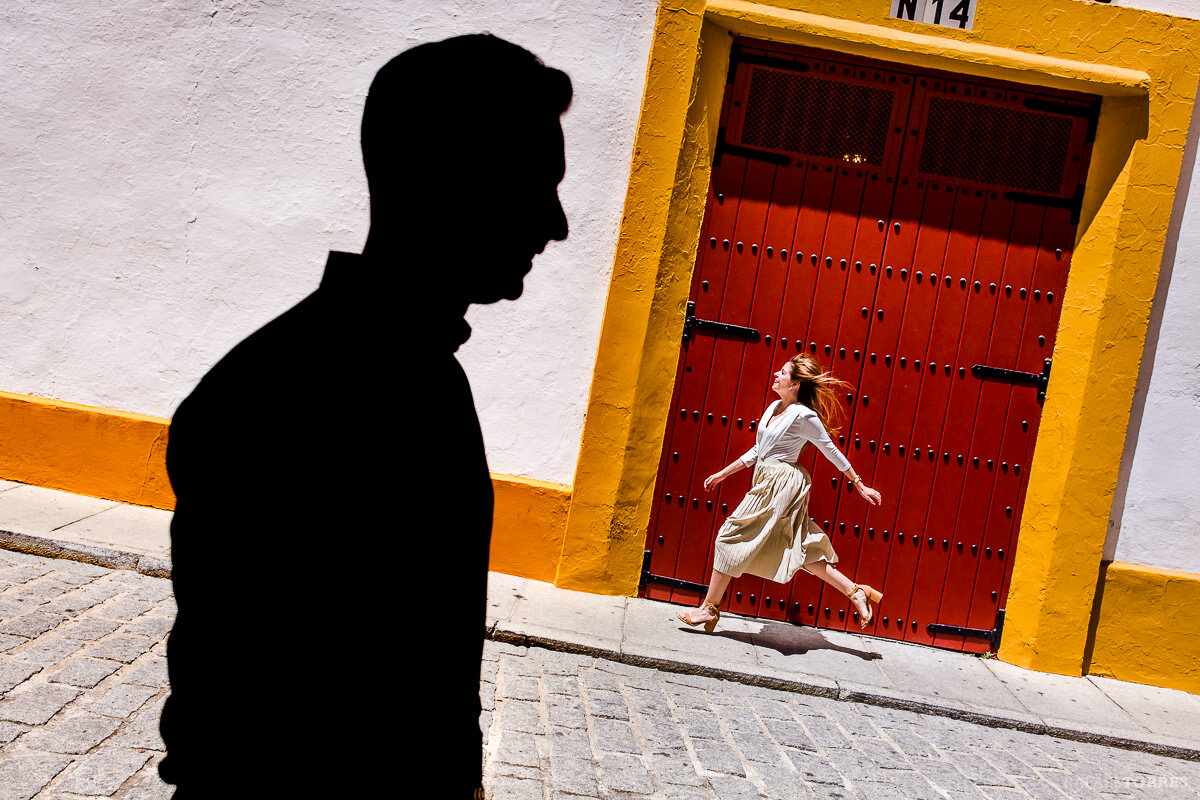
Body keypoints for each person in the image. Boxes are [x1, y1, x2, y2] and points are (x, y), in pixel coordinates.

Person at [159, 35, 570, 798]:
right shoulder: (302, 395)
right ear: (449, 180)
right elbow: (248, 719)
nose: (557, 223)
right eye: (534, 184)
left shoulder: (416, 377)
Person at [677, 354, 883, 633]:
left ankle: (708, 609)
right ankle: (855, 591)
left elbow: (830, 450)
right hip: (767, 478)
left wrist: (859, 483)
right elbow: (758, 451)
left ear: (796, 384)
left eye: (783, 372)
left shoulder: (804, 415)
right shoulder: (774, 407)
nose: (776, 374)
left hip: (782, 482)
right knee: (800, 546)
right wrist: (723, 473)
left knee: (729, 535)